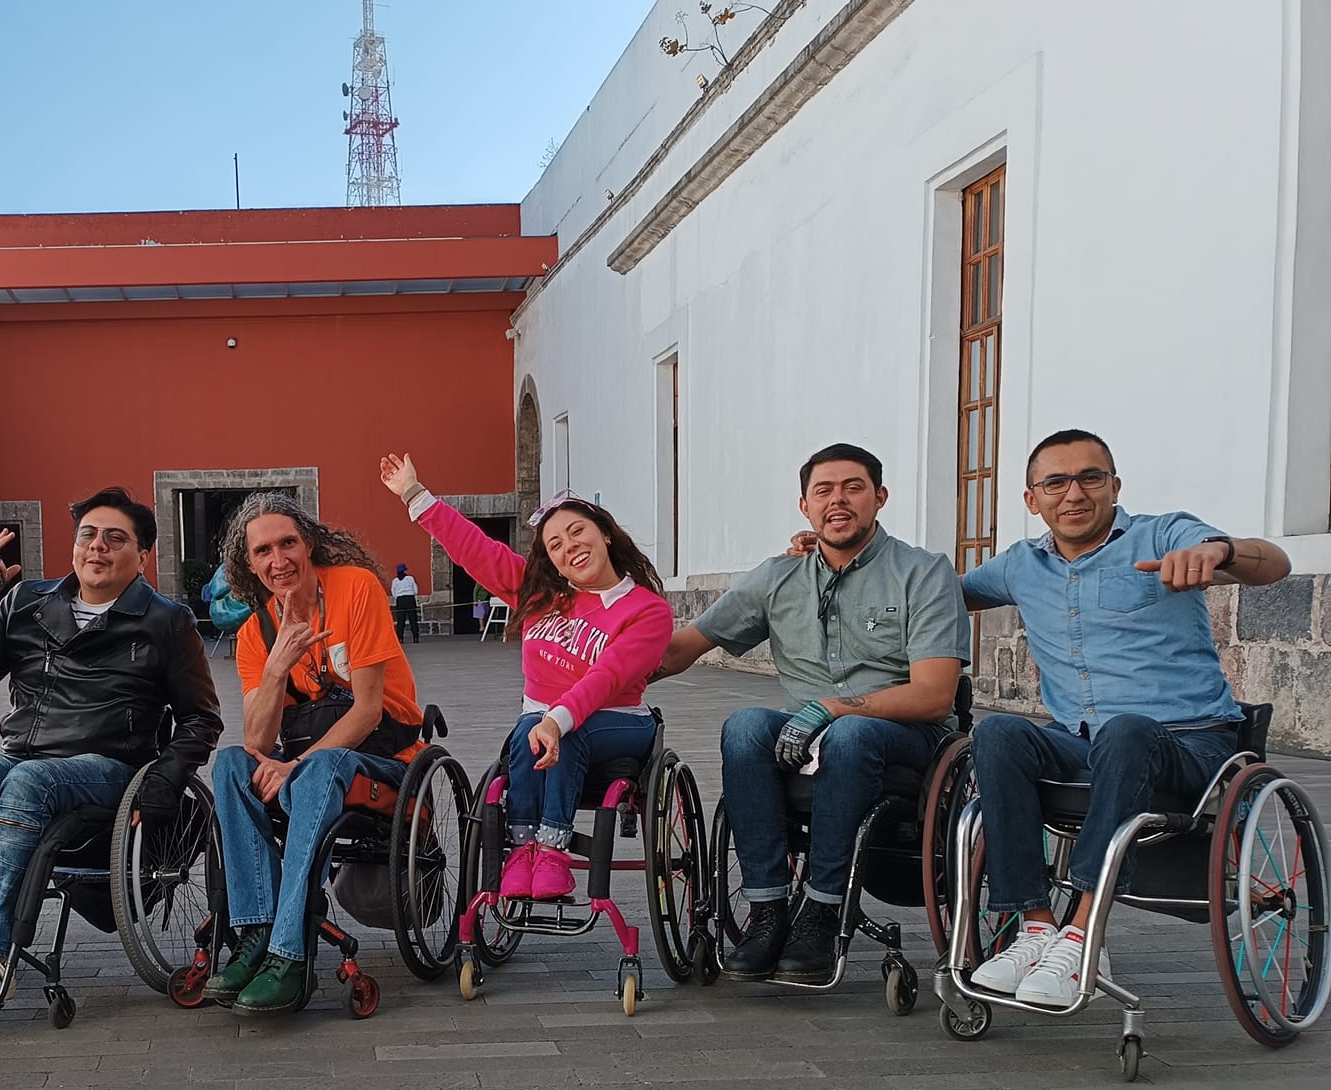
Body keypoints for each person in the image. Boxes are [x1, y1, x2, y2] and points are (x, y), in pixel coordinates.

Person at [956, 429, 1292, 1007]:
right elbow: (934, 593)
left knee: (1127, 729)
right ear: (1032, 498)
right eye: (1055, 482)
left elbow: (1275, 563)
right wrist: (829, 556)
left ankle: (1084, 932)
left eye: (1091, 477)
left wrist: (1218, 553)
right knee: (999, 732)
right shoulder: (1020, 565)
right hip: (1083, 744)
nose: (1074, 493)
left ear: (1115, 486)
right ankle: (1036, 927)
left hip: (1192, 748)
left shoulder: (1162, 533)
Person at [0, 489, 221, 1009]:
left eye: (116, 538)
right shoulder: (27, 603)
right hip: (23, 758)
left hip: (111, 768)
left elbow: (201, 717)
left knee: (30, 780)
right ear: (74, 545)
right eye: (88, 535)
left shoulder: (166, 621)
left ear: (144, 555)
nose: (98, 547)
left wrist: (165, 778)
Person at [656, 443, 970, 983]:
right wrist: (594, 678)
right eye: (824, 490)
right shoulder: (779, 576)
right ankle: (768, 911)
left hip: (906, 737)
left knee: (850, 734)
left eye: (853, 487)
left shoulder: (922, 572)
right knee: (746, 726)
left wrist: (831, 707)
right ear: (805, 505)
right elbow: (684, 646)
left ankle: (821, 912)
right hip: (806, 735)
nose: (838, 500)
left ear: (880, 497)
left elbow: (935, 696)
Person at [381, 454, 673, 900]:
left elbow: (610, 676)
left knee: (563, 731)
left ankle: (552, 849)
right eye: (555, 544)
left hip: (618, 720)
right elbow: (477, 551)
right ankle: (521, 850)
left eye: (577, 532)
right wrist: (415, 495)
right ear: (551, 561)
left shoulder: (648, 611)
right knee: (525, 734)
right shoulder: (541, 595)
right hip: (540, 727)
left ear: (606, 534)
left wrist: (558, 719)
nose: (569, 546)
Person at [207, 492, 427, 1014]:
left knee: (321, 768)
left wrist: (295, 766)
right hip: (305, 762)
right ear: (248, 563)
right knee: (231, 765)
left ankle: (289, 955)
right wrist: (278, 666)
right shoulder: (254, 632)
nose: (278, 560)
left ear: (309, 543)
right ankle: (255, 935)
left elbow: (369, 710)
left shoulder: (355, 589)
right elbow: (258, 743)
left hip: (380, 756)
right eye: (263, 551)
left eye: (288, 543)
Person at [390, 561, 421, 644]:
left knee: (401, 620)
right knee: (413, 619)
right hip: (410, 599)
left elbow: (393, 591)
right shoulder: (410, 578)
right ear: (405, 571)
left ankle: (400, 638)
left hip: (400, 600)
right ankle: (415, 637)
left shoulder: (395, 580)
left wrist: (398, 597)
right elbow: (415, 590)